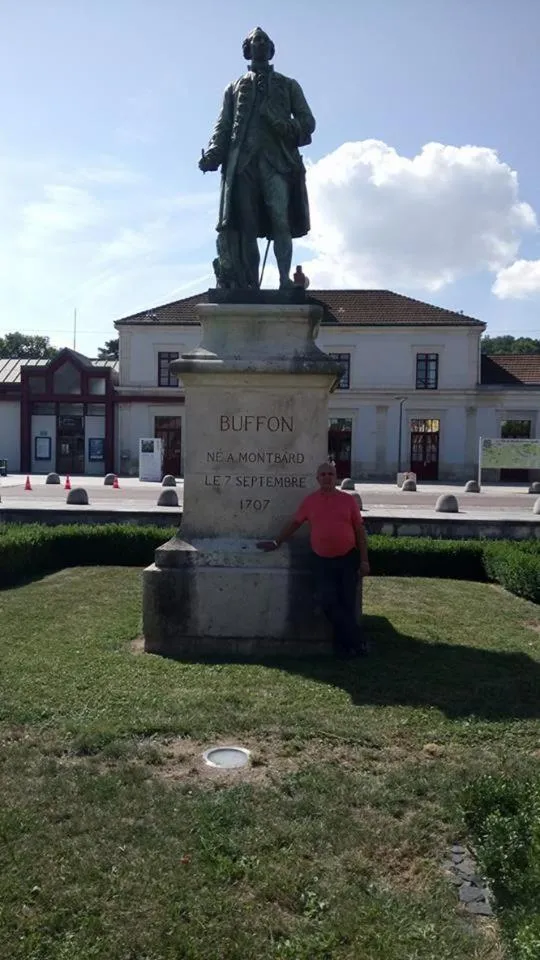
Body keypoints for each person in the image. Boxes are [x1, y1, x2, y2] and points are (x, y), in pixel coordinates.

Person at [198, 26, 315, 290]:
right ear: (247, 49)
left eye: (264, 40)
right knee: (245, 227)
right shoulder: (233, 88)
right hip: (243, 164)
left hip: (278, 162)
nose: (259, 43)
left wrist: (282, 125)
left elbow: (308, 122)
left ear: (271, 49)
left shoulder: (288, 85)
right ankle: (249, 284)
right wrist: (214, 153)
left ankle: (285, 280)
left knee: (280, 221)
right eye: (255, 40)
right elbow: (223, 125)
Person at [257, 463, 370, 657]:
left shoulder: (348, 500)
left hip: (347, 558)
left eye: (330, 474)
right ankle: (357, 640)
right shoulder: (310, 501)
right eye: (323, 474)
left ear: (336, 477)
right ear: (317, 478)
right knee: (328, 601)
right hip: (322, 560)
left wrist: (364, 560)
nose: (327, 477)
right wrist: (277, 542)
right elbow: (295, 523)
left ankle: (343, 648)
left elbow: (360, 531)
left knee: (347, 603)